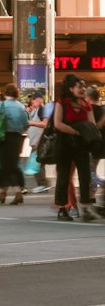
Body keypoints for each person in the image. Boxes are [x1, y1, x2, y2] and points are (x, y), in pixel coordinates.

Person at [53, 74, 99, 222]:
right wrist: (76, 131)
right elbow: (57, 124)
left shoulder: (86, 105)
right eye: (79, 87)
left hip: (81, 145)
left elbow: (91, 124)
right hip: (65, 144)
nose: (82, 89)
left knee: (85, 176)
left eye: (84, 87)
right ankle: (62, 208)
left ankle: (85, 207)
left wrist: (86, 133)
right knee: (63, 177)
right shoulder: (62, 103)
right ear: (71, 88)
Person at [0, 85, 29, 204]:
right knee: (12, 164)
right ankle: (4, 192)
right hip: (17, 138)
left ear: (5, 93)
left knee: (5, 165)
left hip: (4, 137)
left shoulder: (2, 105)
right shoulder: (21, 106)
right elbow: (25, 124)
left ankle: (14, 192)